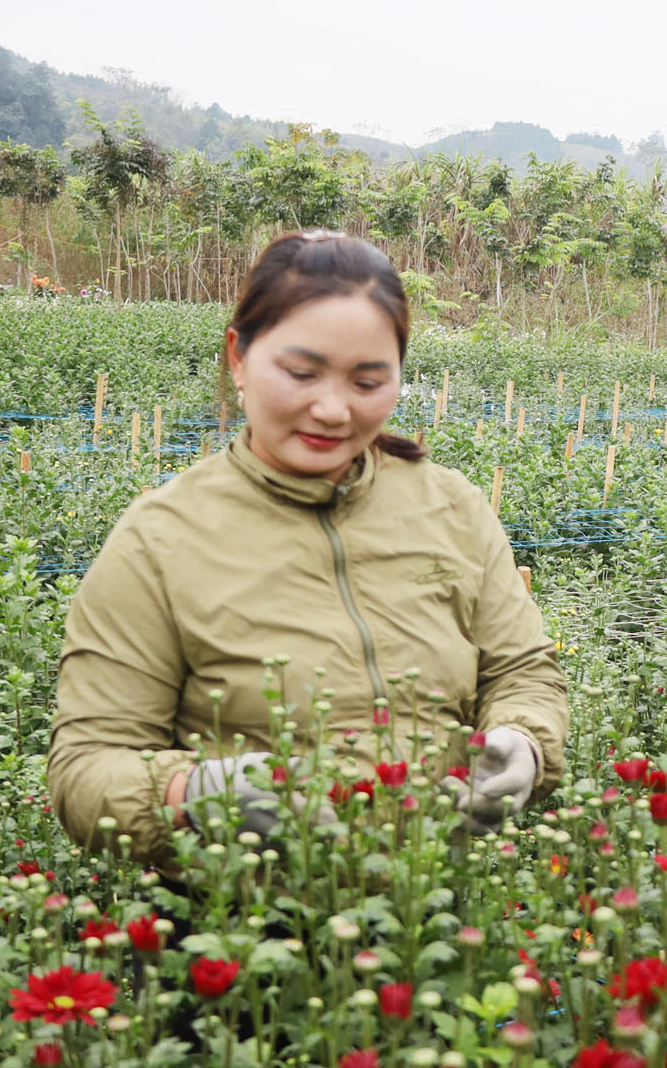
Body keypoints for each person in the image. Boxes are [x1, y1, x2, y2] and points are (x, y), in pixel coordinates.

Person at [47, 230, 567, 871]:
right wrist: (198, 794)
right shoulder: (160, 539)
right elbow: (85, 768)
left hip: (432, 906)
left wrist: (522, 739)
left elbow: (521, 670)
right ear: (238, 358)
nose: (332, 410)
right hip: (238, 917)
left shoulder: (451, 507)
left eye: (368, 381)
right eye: (301, 374)